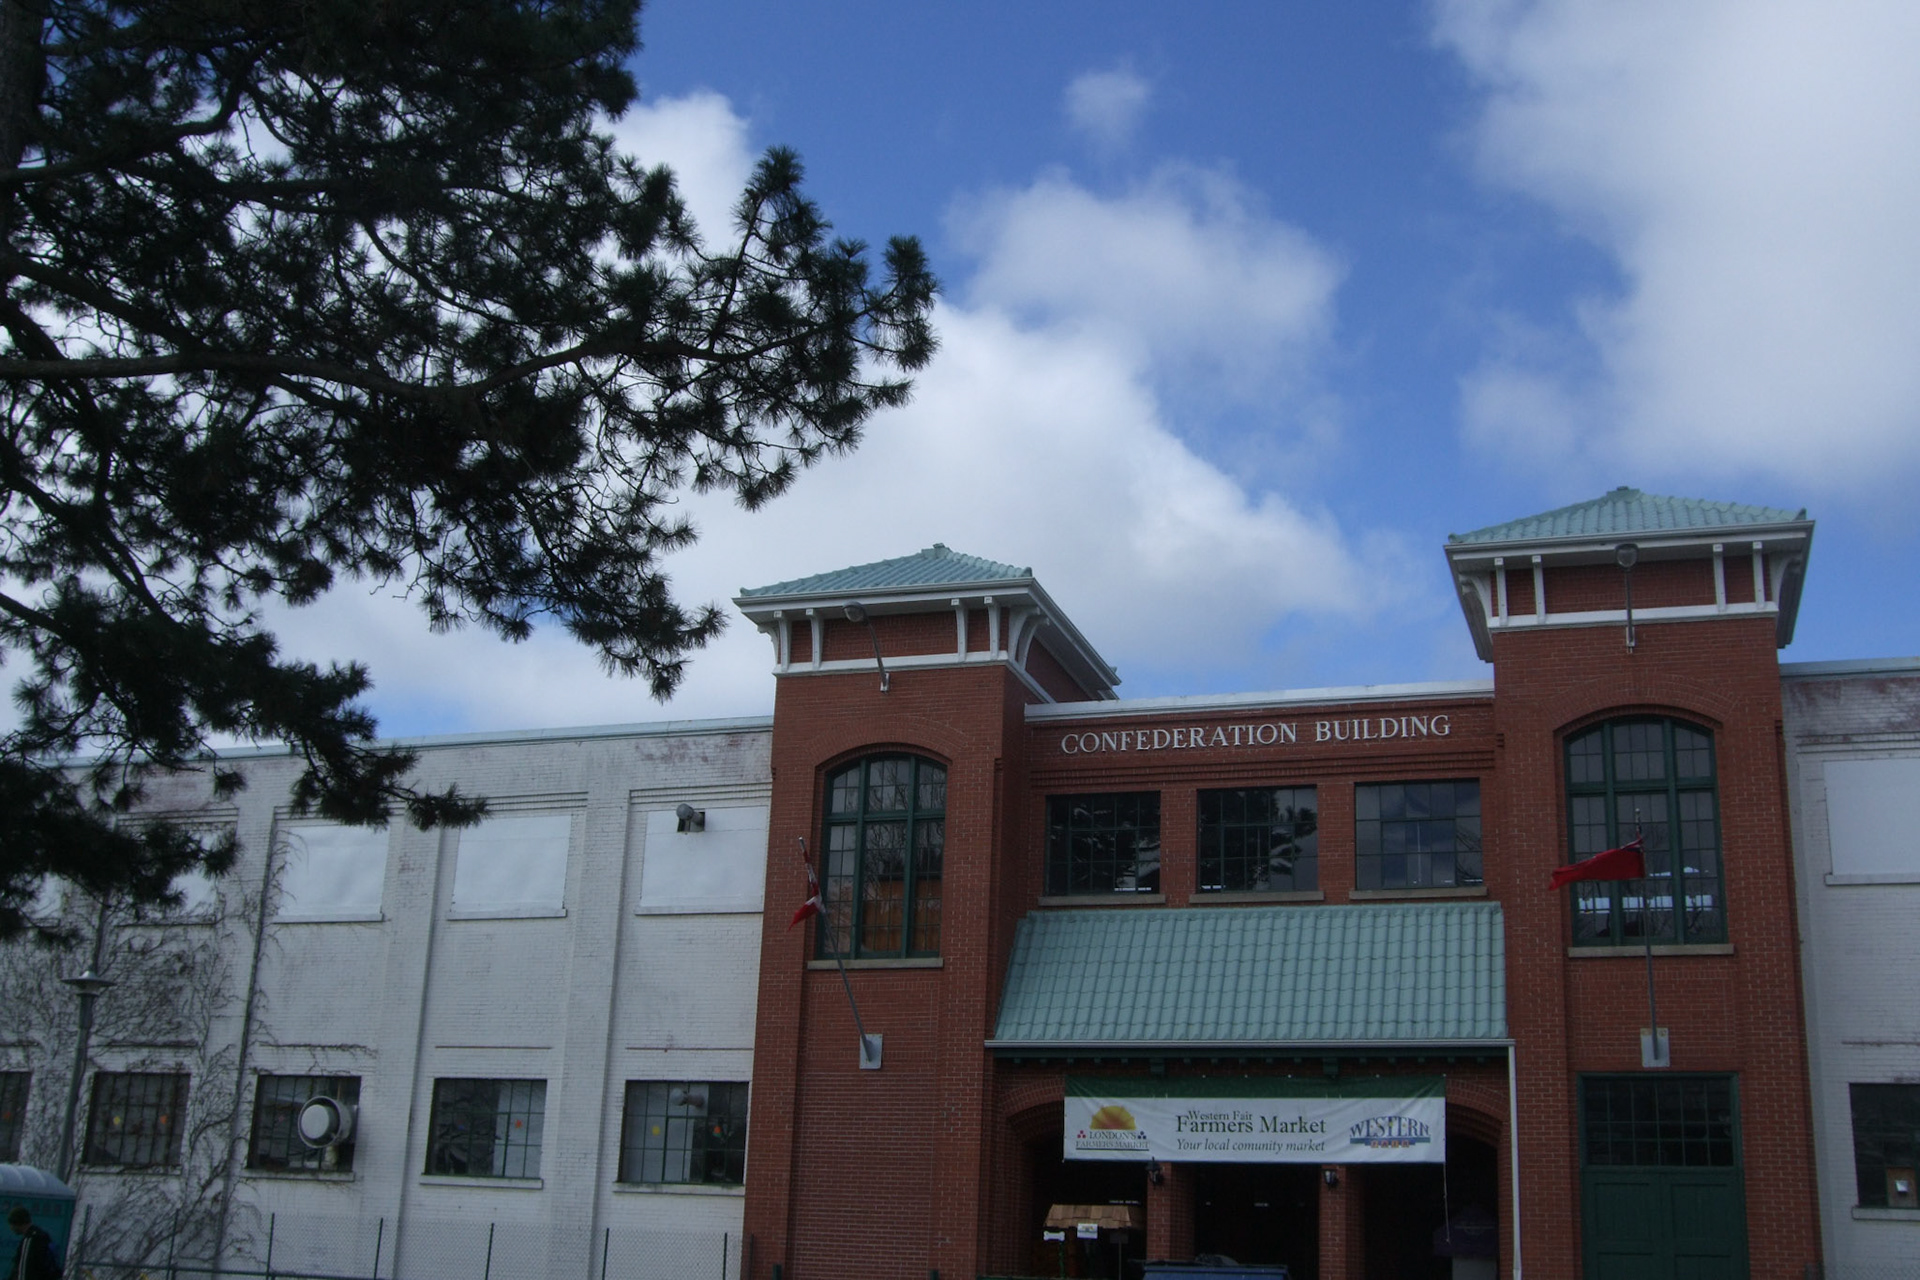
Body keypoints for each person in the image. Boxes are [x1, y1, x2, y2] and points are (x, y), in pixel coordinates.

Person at [6, 1207, 60, 1280]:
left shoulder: (29, 1240)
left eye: (11, 1224)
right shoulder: (43, 1236)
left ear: (17, 1223)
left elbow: (24, 1270)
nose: (11, 1228)